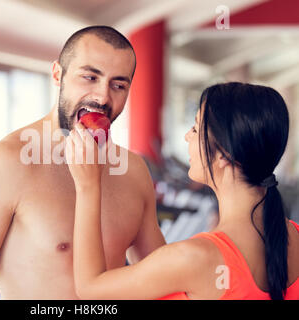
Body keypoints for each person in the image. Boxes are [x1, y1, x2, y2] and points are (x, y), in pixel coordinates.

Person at [0, 26, 166, 299]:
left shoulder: (133, 171)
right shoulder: (5, 164)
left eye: (118, 85)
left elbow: (160, 279)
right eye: (90, 77)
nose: (103, 97)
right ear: (58, 74)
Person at [66, 82, 299, 300]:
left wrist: (88, 185)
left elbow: (90, 289)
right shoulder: (295, 235)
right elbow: (165, 275)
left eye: (196, 128)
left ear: (224, 155)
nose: (188, 136)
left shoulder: (196, 257)